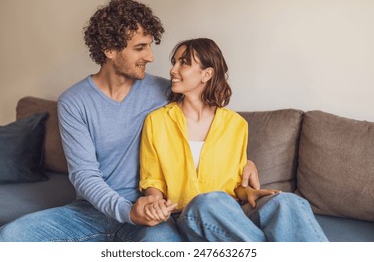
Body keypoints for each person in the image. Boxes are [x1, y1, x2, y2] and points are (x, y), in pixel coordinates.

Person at [0, 0, 259, 242]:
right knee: (9, 237)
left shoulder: (166, 91)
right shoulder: (74, 102)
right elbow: (84, 175)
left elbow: (212, 122)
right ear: (109, 49)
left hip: (151, 214)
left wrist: (245, 162)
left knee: (163, 247)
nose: (151, 57)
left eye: (150, 47)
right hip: (92, 211)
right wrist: (127, 212)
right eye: (140, 48)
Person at [139, 38, 329, 242]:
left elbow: (236, 182)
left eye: (183, 62)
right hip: (186, 215)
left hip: (232, 213)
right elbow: (153, 180)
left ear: (207, 74)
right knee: (208, 202)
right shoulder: (157, 121)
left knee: (287, 202)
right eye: (174, 62)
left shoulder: (236, 124)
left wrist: (248, 193)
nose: (173, 69)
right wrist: (155, 204)